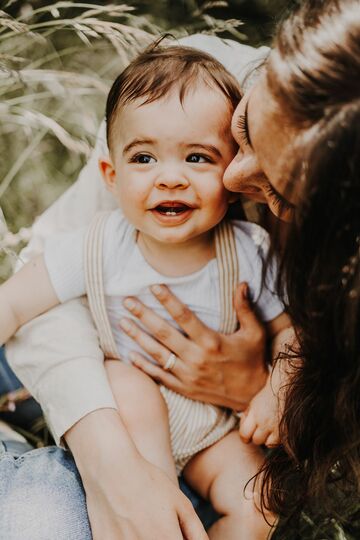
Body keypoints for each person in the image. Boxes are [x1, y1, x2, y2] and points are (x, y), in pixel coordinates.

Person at [6, 0, 357, 534]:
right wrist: (120, 471)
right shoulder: (177, 91)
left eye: (199, 157)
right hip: (115, 408)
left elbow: (293, 334)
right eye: (245, 129)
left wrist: (271, 385)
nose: (237, 178)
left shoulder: (245, 250)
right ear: (111, 169)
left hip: (215, 431)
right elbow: (20, 304)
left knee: (258, 499)